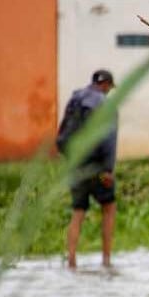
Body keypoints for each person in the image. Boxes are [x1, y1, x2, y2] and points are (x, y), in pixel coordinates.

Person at [57, 69, 118, 269]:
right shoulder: (105, 104)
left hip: (76, 165)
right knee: (108, 208)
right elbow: (109, 137)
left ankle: (72, 259)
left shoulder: (75, 100)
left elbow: (63, 133)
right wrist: (108, 169)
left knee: (78, 211)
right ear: (106, 84)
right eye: (109, 87)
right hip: (98, 166)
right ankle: (106, 259)